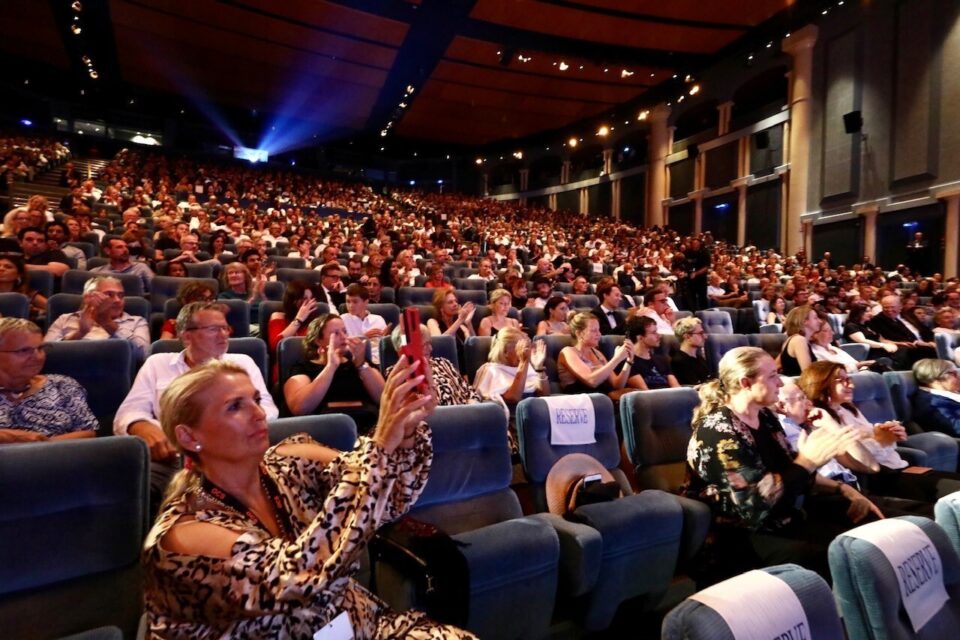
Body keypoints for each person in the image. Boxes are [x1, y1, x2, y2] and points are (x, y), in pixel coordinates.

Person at [142, 358, 476, 639]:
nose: (258, 413)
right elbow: (299, 577)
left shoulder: (288, 459)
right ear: (190, 436)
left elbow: (385, 494)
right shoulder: (182, 533)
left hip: (354, 626)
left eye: (256, 400)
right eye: (235, 406)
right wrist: (381, 446)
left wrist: (404, 425)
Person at [684, 346, 863, 579]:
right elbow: (753, 507)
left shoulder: (765, 417)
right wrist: (807, 461)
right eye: (772, 376)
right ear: (746, 383)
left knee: (862, 531)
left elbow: (794, 472)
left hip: (785, 517)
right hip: (740, 535)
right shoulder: (717, 431)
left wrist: (844, 489)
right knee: (841, 554)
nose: (780, 383)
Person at [799, 361, 960, 504]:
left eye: (849, 379)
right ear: (822, 384)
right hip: (883, 479)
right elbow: (866, 463)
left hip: (899, 466)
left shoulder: (848, 408)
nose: (851, 385)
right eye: (842, 380)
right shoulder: (820, 420)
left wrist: (890, 434)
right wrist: (882, 440)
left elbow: (877, 440)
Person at [0, 318, 97, 443]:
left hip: (57, 459)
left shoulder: (62, 385)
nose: (37, 357)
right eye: (24, 350)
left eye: (40, 348)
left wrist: (39, 448)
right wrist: (9, 436)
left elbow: (88, 433)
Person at [284, 314, 384, 433]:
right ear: (318, 341)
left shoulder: (360, 362)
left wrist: (361, 364)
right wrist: (330, 367)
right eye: (336, 333)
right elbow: (300, 408)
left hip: (368, 429)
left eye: (345, 331)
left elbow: (384, 398)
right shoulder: (303, 368)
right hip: (323, 432)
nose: (343, 337)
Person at [44, 276, 150, 360]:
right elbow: (45, 353)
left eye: (121, 295)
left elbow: (143, 355)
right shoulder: (65, 319)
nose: (118, 300)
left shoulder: (136, 321)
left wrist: (107, 322)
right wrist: (79, 333)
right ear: (88, 297)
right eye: (109, 294)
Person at [387, 325, 483, 407]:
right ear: (405, 350)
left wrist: (472, 406)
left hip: (467, 419)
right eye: (425, 344)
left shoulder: (443, 363)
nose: (431, 348)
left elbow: (469, 391)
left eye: (430, 343)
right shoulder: (398, 375)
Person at [557, 312, 631, 395]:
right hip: (582, 401)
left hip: (603, 397)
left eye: (598, 330)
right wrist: (616, 358)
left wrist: (629, 361)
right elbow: (591, 381)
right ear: (579, 333)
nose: (599, 334)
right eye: (593, 331)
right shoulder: (568, 352)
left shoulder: (597, 353)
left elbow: (617, 385)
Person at [474, 327, 548, 407]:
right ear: (505, 351)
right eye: (520, 348)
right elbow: (514, 398)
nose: (525, 351)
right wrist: (524, 362)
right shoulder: (492, 370)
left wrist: (539, 368)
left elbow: (545, 395)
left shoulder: (527, 366)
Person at [869, 294, 938, 368]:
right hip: (908, 347)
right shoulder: (877, 320)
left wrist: (931, 342)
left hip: (926, 344)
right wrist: (908, 343)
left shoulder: (909, 316)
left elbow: (926, 331)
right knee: (929, 351)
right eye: (886, 307)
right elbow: (880, 339)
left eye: (892, 307)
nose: (889, 310)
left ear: (900, 306)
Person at [623, 315, 679, 391]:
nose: (659, 335)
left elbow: (677, 388)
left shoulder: (662, 360)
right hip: (652, 400)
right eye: (654, 332)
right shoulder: (628, 362)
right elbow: (646, 392)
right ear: (640, 338)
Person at [267, 281, 322, 354]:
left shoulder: (316, 321)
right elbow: (276, 346)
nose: (309, 302)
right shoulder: (278, 317)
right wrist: (299, 319)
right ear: (293, 301)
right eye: (304, 298)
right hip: (286, 362)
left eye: (311, 298)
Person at [341, 283, 389, 366]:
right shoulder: (342, 320)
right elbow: (341, 346)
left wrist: (386, 337)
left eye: (355, 302)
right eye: (348, 301)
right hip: (355, 362)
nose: (350, 305)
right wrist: (364, 337)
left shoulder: (378, 319)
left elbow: (384, 345)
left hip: (380, 361)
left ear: (366, 302)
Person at [912, 358, 960, 437]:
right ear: (935, 379)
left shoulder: (948, 393)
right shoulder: (932, 404)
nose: (959, 376)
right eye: (954, 374)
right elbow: (957, 429)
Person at [90, 236, 155, 293]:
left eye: (126, 247)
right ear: (107, 251)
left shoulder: (141, 267)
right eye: (119, 247)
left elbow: (155, 291)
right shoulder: (97, 272)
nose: (125, 250)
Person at [426, 289, 475, 362]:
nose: (455, 304)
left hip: (464, 365)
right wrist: (460, 320)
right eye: (450, 302)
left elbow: (473, 344)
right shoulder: (432, 322)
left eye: (455, 301)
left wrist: (468, 323)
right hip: (445, 365)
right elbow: (439, 343)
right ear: (441, 307)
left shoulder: (460, 325)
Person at [0, 253, 46, 321]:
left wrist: (33, 311)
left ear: (19, 275)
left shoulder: (29, 295)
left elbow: (53, 309)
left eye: (8, 267)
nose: (1, 269)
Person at [218, 262, 265, 327]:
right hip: (243, 327)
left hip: (262, 325)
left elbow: (266, 310)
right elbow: (239, 316)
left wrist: (261, 293)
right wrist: (253, 297)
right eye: (230, 273)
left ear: (245, 276)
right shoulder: (224, 297)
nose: (233, 275)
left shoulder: (255, 292)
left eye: (237, 272)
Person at [777, 305, 820, 376]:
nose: (819, 321)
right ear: (804, 321)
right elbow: (808, 374)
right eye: (815, 318)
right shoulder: (799, 340)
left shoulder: (798, 339)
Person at [670, 317, 712, 385]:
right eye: (700, 333)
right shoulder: (679, 362)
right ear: (687, 337)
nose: (705, 337)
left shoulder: (700, 359)